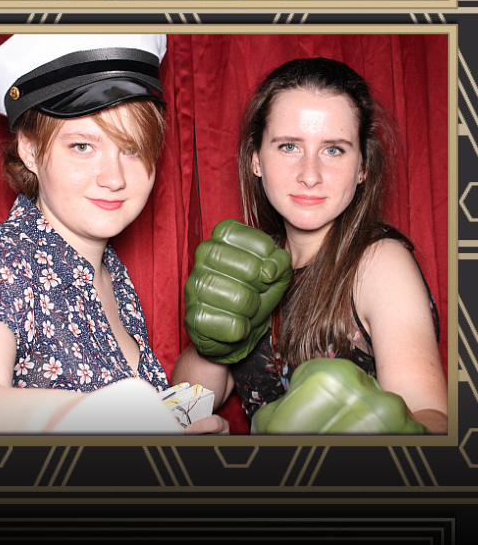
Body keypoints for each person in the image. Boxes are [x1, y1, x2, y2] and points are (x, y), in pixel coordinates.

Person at [0, 36, 227, 436]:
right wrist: (105, 420)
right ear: (30, 150)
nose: (114, 178)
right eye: (82, 146)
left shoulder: (114, 280)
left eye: (132, 149)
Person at [172, 56, 448, 434]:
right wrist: (213, 344)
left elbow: (433, 418)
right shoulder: (255, 261)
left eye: (333, 149)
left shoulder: (379, 262)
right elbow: (184, 408)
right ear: (256, 159)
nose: (310, 175)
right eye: (289, 146)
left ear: (362, 167)